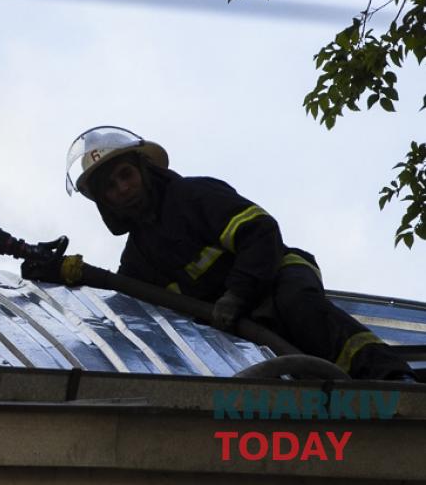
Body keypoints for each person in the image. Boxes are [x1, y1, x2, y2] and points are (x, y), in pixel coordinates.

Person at [23, 125, 414, 381]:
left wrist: (236, 294)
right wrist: (62, 278)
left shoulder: (194, 196)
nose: (122, 188)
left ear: (143, 170)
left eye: (125, 175)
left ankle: (394, 380)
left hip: (279, 274)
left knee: (301, 309)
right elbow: (133, 311)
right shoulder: (137, 260)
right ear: (104, 202)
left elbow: (260, 231)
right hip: (241, 321)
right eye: (110, 186)